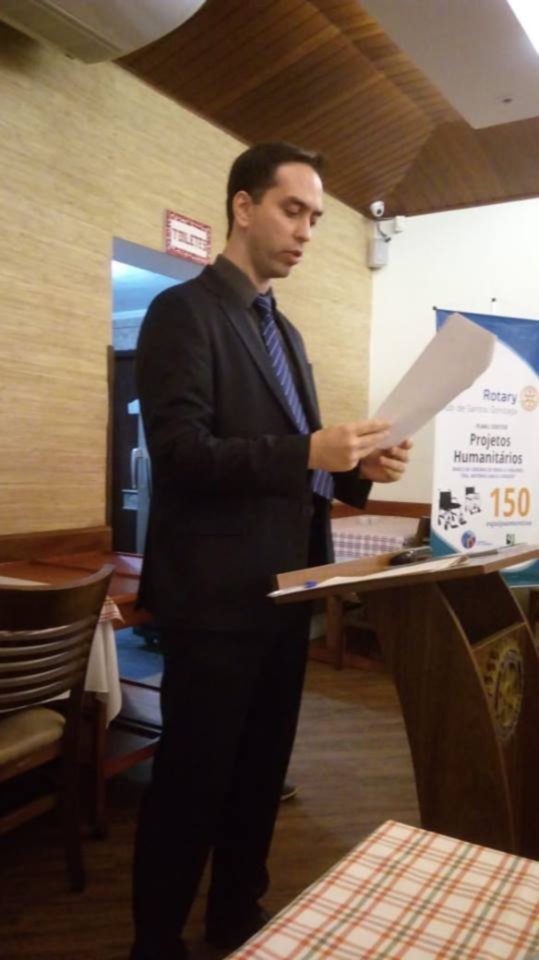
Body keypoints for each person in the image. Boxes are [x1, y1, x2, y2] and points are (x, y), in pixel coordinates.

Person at [129, 141, 411, 960]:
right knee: (191, 785)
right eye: (293, 210)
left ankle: (234, 916)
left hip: (288, 593)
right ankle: (156, 941)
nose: (306, 231)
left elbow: (294, 461)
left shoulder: (282, 332)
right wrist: (308, 451)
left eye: (315, 218)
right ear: (243, 207)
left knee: (258, 778)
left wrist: (353, 471)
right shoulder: (181, 312)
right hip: (215, 603)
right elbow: (181, 452)